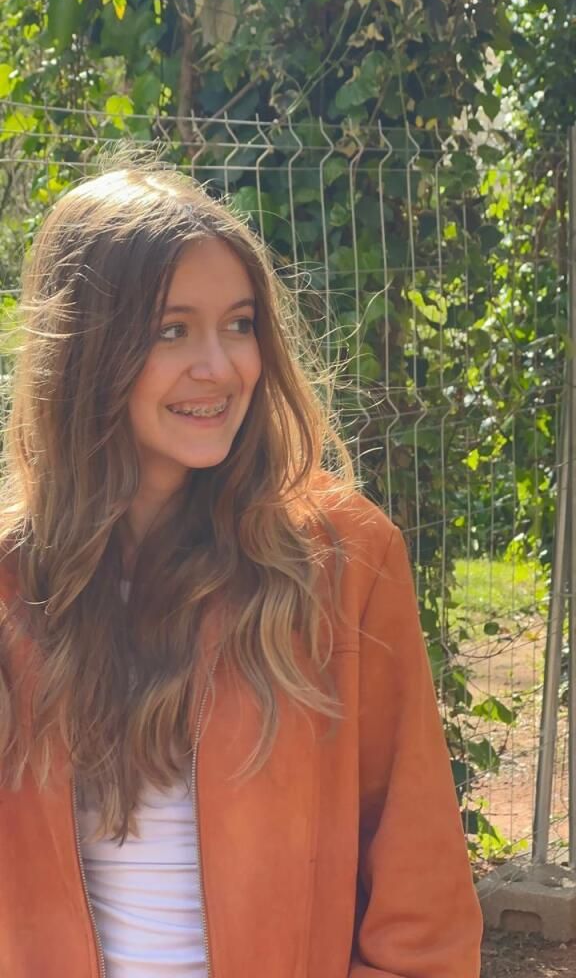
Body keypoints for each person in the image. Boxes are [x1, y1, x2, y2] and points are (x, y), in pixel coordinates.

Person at [0, 163, 482, 978]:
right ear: (84, 352)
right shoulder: (16, 582)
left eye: (240, 324)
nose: (221, 367)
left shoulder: (342, 559)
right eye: (171, 331)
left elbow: (420, 903)